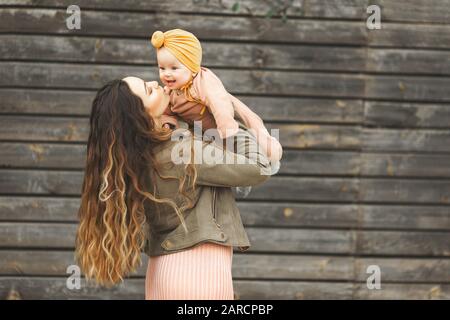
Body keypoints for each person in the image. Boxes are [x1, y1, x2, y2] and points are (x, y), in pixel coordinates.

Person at [75, 77, 272, 299]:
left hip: (164, 274)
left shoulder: (145, 159)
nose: (156, 83)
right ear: (142, 117)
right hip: (198, 276)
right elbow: (260, 167)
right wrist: (227, 122)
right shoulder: (183, 152)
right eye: (149, 90)